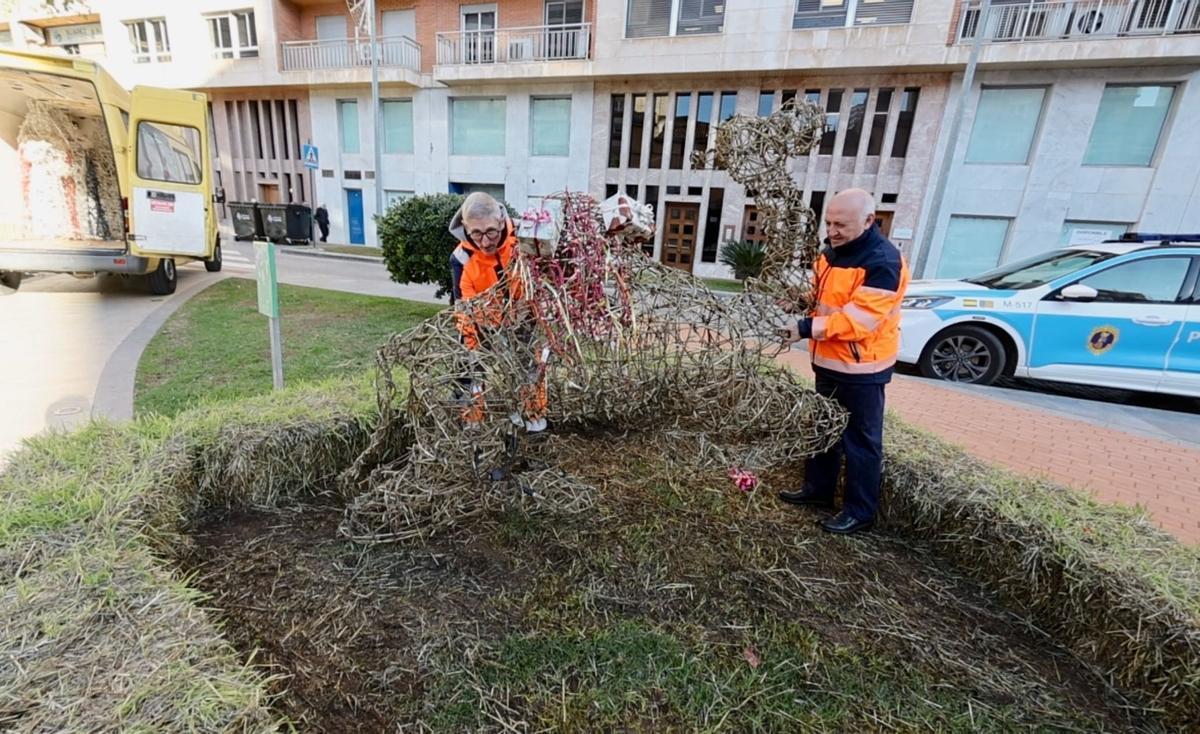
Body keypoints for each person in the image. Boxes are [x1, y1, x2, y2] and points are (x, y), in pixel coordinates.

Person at [777, 188, 910, 535]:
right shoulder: (830, 252)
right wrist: (801, 301)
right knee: (823, 428)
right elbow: (825, 297)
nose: (833, 231)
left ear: (869, 221)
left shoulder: (883, 262)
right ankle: (817, 491)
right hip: (828, 362)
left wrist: (805, 327)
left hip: (863, 369)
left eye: (842, 225)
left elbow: (858, 321)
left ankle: (859, 512)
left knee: (861, 441)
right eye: (830, 222)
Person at [448, 192, 548, 432]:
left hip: (524, 319)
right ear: (466, 228)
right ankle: (473, 425)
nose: (485, 242)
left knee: (531, 370)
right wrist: (471, 343)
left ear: (501, 221)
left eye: (491, 231)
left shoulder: (524, 238)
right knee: (470, 368)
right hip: (485, 325)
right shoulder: (462, 258)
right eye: (476, 234)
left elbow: (548, 273)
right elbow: (464, 307)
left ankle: (533, 424)